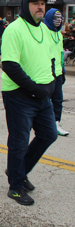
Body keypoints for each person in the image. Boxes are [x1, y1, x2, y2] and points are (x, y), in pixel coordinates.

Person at [1, 0, 58, 206]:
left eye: (42, 3)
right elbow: (9, 65)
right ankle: (15, 187)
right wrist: (33, 88)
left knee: (49, 134)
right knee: (19, 141)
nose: (40, 7)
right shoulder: (14, 29)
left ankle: (19, 170)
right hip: (18, 95)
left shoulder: (44, 29)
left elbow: (50, 60)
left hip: (43, 95)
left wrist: (51, 83)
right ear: (26, 5)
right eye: (35, 3)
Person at [44, 8, 69, 136]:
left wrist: (63, 70)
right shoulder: (44, 32)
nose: (58, 21)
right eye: (55, 19)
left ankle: (56, 123)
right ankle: (42, 123)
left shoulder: (59, 34)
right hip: (47, 72)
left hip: (58, 73)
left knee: (58, 99)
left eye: (60, 19)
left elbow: (60, 53)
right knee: (45, 100)